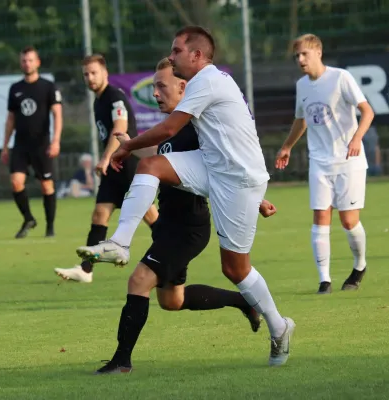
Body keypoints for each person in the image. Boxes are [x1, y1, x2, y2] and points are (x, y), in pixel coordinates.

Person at [76, 26, 295, 367]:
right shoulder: (203, 83)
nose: (172, 54)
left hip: (236, 182)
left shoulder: (206, 81)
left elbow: (168, 130)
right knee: (150, 165)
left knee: (235, 269)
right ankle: (119, 242)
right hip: (213, 167)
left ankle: (279, 326)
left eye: (177, 50)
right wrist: (132, 148)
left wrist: (126, 147)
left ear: (196, 56)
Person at [274, 34, 375, 295]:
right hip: (319, 161)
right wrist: (287, 146)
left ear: (318, 52)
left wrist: (356, 139)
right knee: (320, 216)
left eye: (304, 54)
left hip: (348, 160)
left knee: (349, 220)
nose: (300, 59)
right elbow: (301, 120)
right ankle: (325, 281)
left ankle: (359, 265)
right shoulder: (302, 85)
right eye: (297, 55)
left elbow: (367, 111)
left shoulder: (341, 78)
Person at [53, 54, 158, 283]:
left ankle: (173, 249)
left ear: (105, 73)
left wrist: (105, 158)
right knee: (100, 214)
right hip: (114, 167)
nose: (90, 78)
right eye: (86, 74)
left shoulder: (114, 96)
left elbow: (120, 128)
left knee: (150, 216)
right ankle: (85, 270)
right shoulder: (98, 100)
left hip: (126, 164)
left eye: (94, 73)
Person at [1, 46, 63, 239]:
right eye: (23, 60)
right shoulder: (15, 89)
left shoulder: (48, 86)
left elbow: (57, 115)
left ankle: (50, 228)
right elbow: (11, 119)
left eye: (30, 60)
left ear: (37, 63)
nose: (26, 63)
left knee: (46, 185)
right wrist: (5, 145)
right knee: (16, 182)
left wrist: (56, 141)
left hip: (41, 144)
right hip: (20, 145)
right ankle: (28, 218)